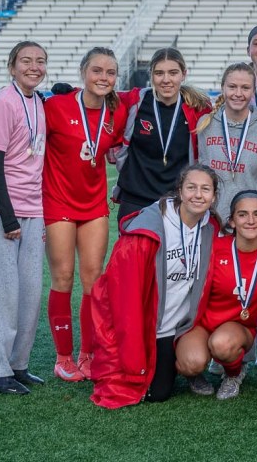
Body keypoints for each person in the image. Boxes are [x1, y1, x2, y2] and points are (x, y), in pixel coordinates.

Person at [89, 164, 219, 407]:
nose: (198, 195)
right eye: (191, 188)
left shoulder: (211, 229)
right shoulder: (147, 229)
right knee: (155, 392)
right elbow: (122, 296)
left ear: (214, 196)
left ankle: (179, 362)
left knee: (165, 384)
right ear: (180, 191)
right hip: (147, 325)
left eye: (205, 189)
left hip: (177, 328)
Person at [43, 47, 128, 383]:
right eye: (97, 71)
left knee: (94, 280)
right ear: (83, 73)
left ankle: (88, 354)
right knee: (63, 277)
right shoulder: (57, 106)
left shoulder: (117, 111)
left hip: (94, 205)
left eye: (110, 73)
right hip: (58, 202)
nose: (103, 78)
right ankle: (63, 357)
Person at [0, 41, 50, 394]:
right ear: (11, 66)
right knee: (0, 292)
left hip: (33, 209)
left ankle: (18, 363)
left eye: (40, 61)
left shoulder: (39, 101)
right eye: (26, 61)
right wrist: (8, 218)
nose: (33, 67)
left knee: (29, 293)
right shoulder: (3, 102)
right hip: (0, 212)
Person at [181, 190, 257, 400]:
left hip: (239, 325)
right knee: (190, 362)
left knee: (222, 344)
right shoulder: (215, 247)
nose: (250, 221)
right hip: (203, 323)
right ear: (231, 221)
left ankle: (233, 373)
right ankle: (195, 373)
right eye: (242, 214)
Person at [111, 47, 212, 217]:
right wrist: (70, 92)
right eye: (159, 73)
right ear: (151, 75)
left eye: (173, 73)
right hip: (135, 200)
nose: (166, 80)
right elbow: (101, 96)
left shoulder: (198, 109)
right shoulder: (135, 101)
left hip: (177, 201)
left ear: (183, 74)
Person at [195, 61, 257, 224]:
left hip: (251, 223)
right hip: (211, 222)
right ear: (223, 88)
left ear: (254, 91)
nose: (238, 93)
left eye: (245, 88)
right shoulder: (206, 124)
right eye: (232, 87)